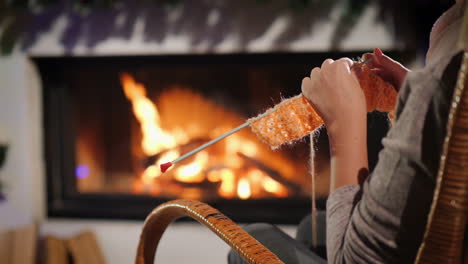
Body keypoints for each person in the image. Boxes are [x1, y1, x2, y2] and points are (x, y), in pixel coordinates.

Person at [228, 0, 466, 263]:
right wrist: (413, 103)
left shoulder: (442, 86)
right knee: (312, 226)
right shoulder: (452, 92)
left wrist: (342, 123)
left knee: (255, 237)